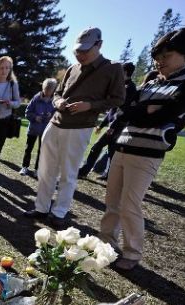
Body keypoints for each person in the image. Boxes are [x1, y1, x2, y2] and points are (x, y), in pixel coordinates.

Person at [99, 28, 185, 270]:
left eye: (167, 56)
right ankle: (106, 245)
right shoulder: (151, 79)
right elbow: (126, 108)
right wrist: (145, 110)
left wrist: (143, 111)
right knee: (112, 201)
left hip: (147, 154)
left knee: (130, 204)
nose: (159, 62)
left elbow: (166, 116)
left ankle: (132, 253)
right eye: (158, 57)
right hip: (123, 146)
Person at [24, 27, 126, 228]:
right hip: (54, 124)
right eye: (78, 51)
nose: (81, 55)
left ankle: (59, 213)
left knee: (68, 174)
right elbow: (57, 93)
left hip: (80, 128)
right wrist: (58, 102)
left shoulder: (113, 68)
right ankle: (41, 208)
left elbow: (119, 99)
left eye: (85, 50)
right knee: (45, 171)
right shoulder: (72, 68)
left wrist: (90, 105)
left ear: (99, 45)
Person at [78, 62, 139, 179]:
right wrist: (102, 125)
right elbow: (112, 109)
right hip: (114, 124)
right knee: (112, 151)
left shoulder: (130, 88)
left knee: (97, 147)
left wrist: (112, 126)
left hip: (118, 125)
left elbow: (123, 110)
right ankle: (108, 175)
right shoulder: (120, 85)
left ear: (125, 72)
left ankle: (84, 171)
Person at [22, 78, 57, 176]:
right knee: (28, 148)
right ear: (43, 88)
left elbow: (57, 115)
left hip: (46, 130)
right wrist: (35, 117)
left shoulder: (55, 101)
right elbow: (27, 112)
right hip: (33, 129)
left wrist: (52, 115)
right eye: (46, 90)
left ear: (53, 90)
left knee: (42, 151)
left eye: (50, 90)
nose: (47, 92)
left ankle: (37, 170)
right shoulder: (36, 98)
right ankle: (24, 167)